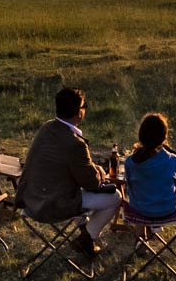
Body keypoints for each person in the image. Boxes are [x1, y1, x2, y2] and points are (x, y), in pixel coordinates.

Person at [16, 87, 121, 255]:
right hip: (51, 205)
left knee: (78, 191)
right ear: (79, 112)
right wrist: (99, 172)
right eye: (84, 106)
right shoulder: (75, 144)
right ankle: (87, 238)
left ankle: (84, 232)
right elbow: (92, 183)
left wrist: (90, 168)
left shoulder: (47, 128)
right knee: (115, 197)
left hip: (31, 198)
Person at [123, 113, 176, 220]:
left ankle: (142, 230)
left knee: (137, 200)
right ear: (164, 136)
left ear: (141, 135)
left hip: (140, 211)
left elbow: (129, 188)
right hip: (168, 210)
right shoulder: (173, 160)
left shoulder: (130, 162)